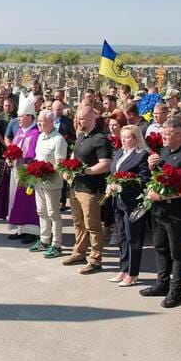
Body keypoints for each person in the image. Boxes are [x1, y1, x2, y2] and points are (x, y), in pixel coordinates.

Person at [139, 115, 181, 307]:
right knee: (160, 247)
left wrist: (163, 197)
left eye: (166, 134)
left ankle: (176, 291)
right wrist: (153, 168)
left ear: (178, 134)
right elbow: (161, 178)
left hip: (177, 212)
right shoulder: (166, 150)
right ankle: (162, 283)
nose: (162, 137)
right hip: (160, 211)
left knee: (177, 253)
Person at [61, 105, 112, 273]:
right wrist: (68, 170)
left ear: (91, 119)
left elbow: (105, 164)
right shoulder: (81, 135)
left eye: (82, 118)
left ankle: (95, 259)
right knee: (78, 222)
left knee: (92, 225)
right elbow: (74, 155)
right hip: (76, 186)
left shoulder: (100, 139)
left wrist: (85, 171)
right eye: (78, 118)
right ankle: (79, 252)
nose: (79, 120)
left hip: (90, 189)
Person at [107, 125, 151, 286]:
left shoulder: (141, 155)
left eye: (127, 137)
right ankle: (123, 269)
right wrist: (110, 184)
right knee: (122, 237)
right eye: (122, 137)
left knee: (133, 238)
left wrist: (123, 186)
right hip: (118, 201)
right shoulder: (119, 152)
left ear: (135, 138)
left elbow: (143, 180)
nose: (124, 140)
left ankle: (133, 273)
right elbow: (113, 173)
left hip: (134, 203)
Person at [29, 109, 68, 258]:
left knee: (53, 213)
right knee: (41, 211)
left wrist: (46, 172)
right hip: (39, 181)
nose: (39, 123)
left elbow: (60, 163)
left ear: (51, 122)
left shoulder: (58, 140)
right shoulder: (41, 137)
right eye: (38, 121)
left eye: (42, 121)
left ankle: (56, 245)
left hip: (52, 182)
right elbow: (38, 158)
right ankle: (44, 240)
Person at [6, 94, 42, 243]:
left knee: (28, 201)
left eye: (21, 116)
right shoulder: (20, 131)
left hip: (29, 172)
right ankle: (20, 228)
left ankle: (32, 232)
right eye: (18, 116)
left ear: (30, 117)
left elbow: (35, 154)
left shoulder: (35, 134)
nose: (18, 119)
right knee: (16, 199)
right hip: (16, 170)